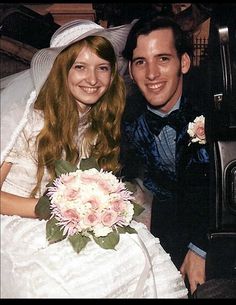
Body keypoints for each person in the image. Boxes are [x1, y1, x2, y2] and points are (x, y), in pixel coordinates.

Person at [0, 19, 188, 298]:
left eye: (102, 68)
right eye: (80, 67)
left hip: (69, 220)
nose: (92, 79)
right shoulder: (25, 117)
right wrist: (53, 209)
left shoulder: (97, 123)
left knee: (136, 256)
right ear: (61, 71)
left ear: (112, 75)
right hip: (16, 221)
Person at [120, 15, 211, 296]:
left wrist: (201, 247)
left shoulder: (215, 109)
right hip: (166, 222)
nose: (151, 74)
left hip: (218, 225)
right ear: (132, 71)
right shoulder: (125, 116)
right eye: (140, 62)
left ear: (183, 63)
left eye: (162, 59)